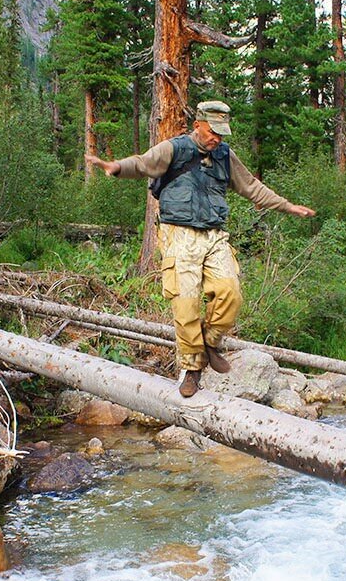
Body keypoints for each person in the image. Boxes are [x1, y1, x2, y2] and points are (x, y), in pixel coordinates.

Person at [85, 100, 316, 398]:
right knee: (186, 304)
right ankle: (192, 368)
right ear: (198, 125)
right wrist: (117, 167)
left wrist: (287, 206)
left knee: (230, 291)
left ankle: (210, 342)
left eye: (221, 133)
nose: (216, 138)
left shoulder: (225, 156)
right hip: (178, 234)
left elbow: (251, 187)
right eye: (212, 131)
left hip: (215, 235)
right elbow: (143, 164)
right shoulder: (174, 149)